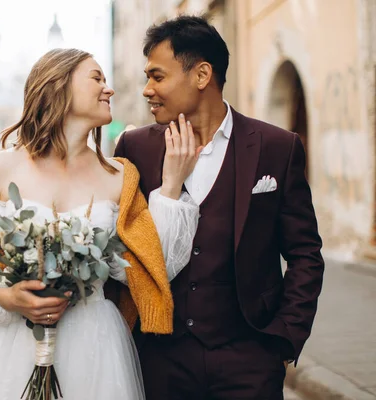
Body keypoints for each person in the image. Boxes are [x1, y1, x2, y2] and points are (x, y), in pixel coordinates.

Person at [0, 48, 201, 400]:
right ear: (58, 86)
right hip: (8, 349)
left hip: (94, 346)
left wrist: (171, 185)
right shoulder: (0, 167)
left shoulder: (120, 175)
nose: (109, 90)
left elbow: (153, 268)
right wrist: (8, 296)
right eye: (97, 79)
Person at [114, 15, 325, 399]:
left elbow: (305, 253)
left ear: (201, 75)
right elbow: (122, 248)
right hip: (161, 358)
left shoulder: (277, 146)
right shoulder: (135, 149)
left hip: (250, 357)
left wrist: (284, 339)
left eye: (157, 76)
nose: (147, 90)